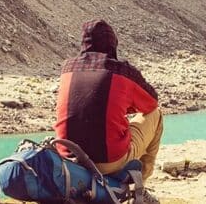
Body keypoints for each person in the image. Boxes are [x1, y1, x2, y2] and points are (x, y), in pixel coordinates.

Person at [54, 19, 164, 189]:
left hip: (67, 158)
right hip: (108, 162)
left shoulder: (67, 68)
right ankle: (139, 186)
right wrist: (126, 107)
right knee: (156, 114)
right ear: (113, 44)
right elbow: (151, 103)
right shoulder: (121, 70)